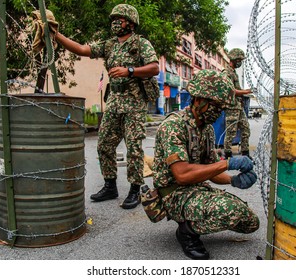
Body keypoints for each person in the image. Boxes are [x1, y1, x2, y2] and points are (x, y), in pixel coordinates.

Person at [55, 4, 159, 209]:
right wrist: (56, 35)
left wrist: (129, 70)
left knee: (134, 148)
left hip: (134, 103)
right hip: (114, 102)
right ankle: (110, 185)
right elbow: (83, 50)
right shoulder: (109, 45)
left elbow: (154, 67)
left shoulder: (141, 43)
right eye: (113, 20)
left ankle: (135, 190)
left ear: (130, 23)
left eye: (119, 19)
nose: (114, 23)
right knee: (104, 144)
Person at [153, 69, 260, 260]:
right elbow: (182, 174)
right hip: (174, 193)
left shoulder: (207, 129)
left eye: (221, 108)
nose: (218, 112)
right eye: (215, 106)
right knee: (231, 211)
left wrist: (233, 181)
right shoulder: (173, 126)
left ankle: (197, 217)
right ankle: (187, 232)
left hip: (197, 188)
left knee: (250, 222)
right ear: (198, 100)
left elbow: (210, 170)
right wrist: (227, 163)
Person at [223, 48, 253, 159]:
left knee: (246, 128)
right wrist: (246, 91)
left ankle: (245, 153)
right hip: (231, 107)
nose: (240, 62)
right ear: (234, 59)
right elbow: (231, 90)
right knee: (230, 132)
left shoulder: (233, 72)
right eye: (239, 60)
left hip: (238, 107)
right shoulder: (227, 73)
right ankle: (228, 155)